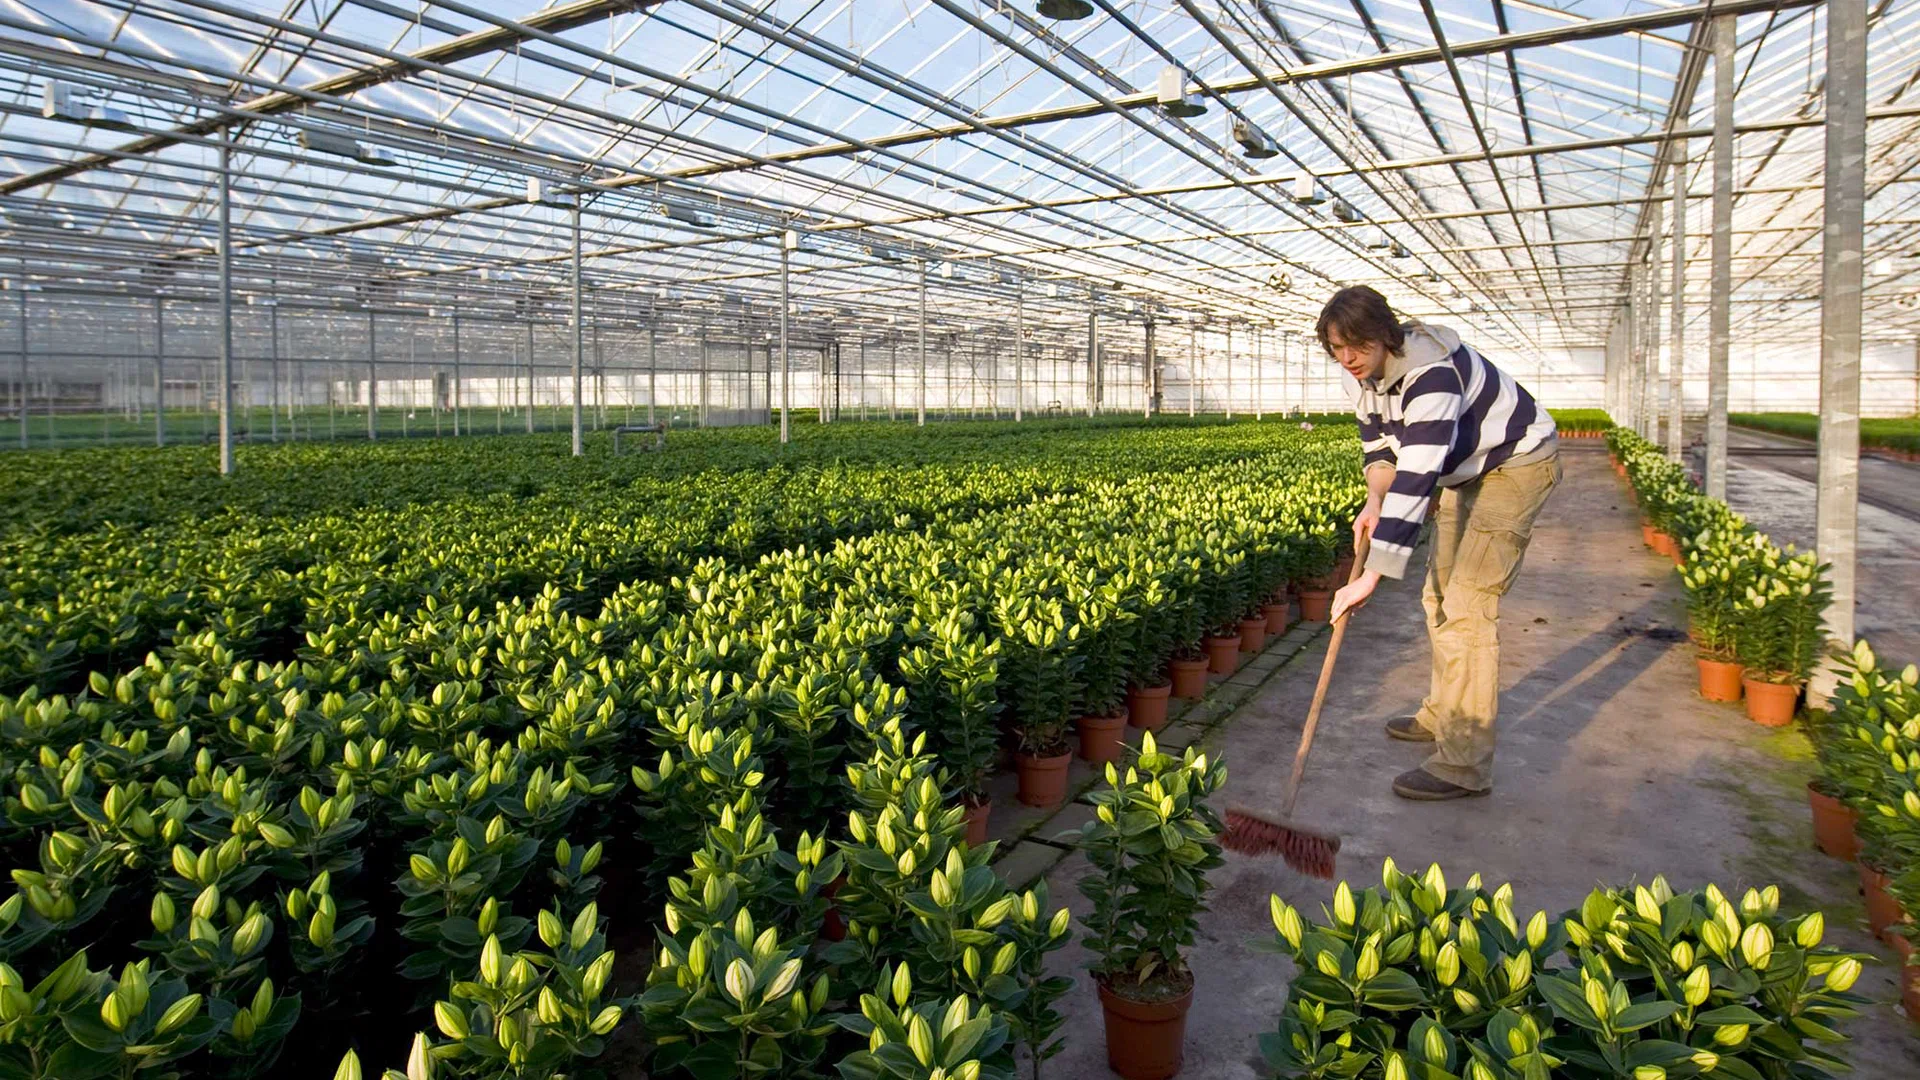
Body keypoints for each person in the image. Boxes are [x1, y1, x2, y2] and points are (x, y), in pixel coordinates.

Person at [1319, 286, 1560, 801]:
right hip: (1467, 472)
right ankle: (1442, 715)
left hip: (1515, 463)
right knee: (1437, 596)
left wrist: (1369, 578)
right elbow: (1382, 452)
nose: (1347, 358)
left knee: (1469, 607)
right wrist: (1373, 501)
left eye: (1356, 345)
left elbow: (1418, 475)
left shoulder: (1432, 376)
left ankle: (1463, 765)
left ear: (1385, 335)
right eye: (1337, 348)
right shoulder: (1358, 376)